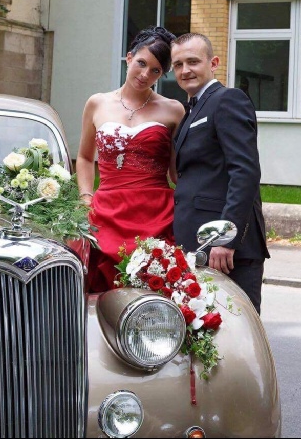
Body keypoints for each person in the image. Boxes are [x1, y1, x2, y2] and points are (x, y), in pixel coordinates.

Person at [76, 26, 185, 292]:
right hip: (106, 214)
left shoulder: (174, 110)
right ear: (128, 57)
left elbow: (176, 173)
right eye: (141, 63)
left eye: (156, 70)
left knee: (157, 295)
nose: (145, 74)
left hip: (156, 214)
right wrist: (86, 199)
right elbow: (84, 157)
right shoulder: (97, 103)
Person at [170, 33, 270, 314]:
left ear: (213, 63)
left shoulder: (228, 99)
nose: (185, 70)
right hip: (198, 245)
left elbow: (245, 171)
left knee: (237, 337)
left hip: (225, 251)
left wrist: (225, 238)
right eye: (178, 64)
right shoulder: (192, 110)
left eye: (192, 61)